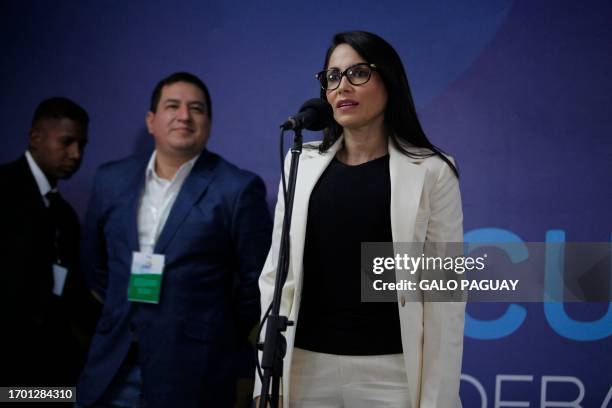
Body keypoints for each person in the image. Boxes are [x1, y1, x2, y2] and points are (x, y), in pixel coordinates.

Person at [255, 31, 465, 407]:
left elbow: (444, 299)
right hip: (304, 366)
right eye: (332, 77)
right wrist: (263, 383)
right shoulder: (299, 164)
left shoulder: (433, 171)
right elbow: (276, 276)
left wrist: (438, 399)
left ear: (390, 82)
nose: (341, 87)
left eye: (358, 73)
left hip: (391, 374)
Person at [76, 72, 272, 408]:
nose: (184, 115)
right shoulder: (110, 179)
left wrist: (215, 331)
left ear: (208, 123)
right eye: (172, 106)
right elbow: (94, 264)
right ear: (151, 121)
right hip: (113, 361)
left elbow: (255, 282)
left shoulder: (237, 188)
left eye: (196, 108)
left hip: (194, 370)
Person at [0, 97, 97, 386]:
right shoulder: (2, 190)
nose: (76, 154)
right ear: (35, 138)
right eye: (66, 142)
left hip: (49, 366)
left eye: (82, 145)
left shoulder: (64, 215)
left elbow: (70, 290)